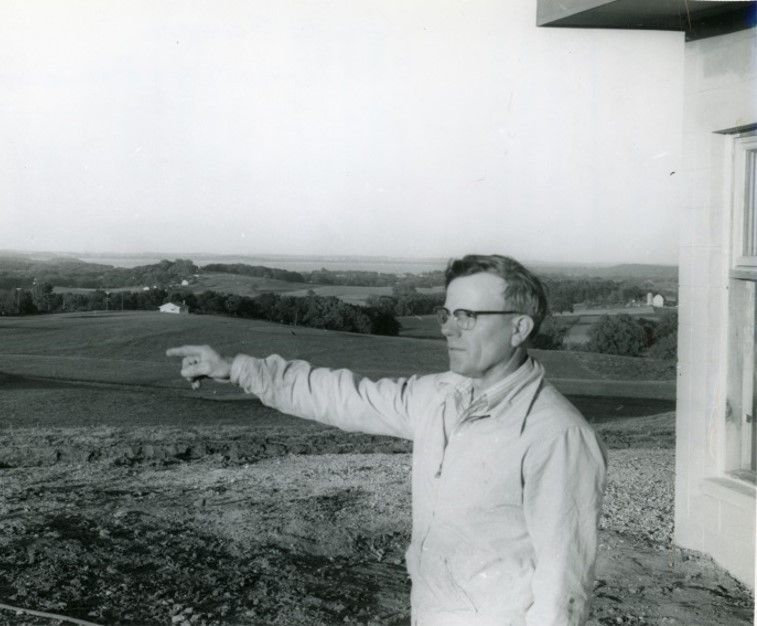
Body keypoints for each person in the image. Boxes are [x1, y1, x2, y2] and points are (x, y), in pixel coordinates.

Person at [167, 254, 607, 626]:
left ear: (519, 328)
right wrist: (237, 369)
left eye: (467, 317)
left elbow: (562, 590)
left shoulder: (557, 434)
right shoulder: (439, 396)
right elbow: (345, 397)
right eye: (447, 314)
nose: (448, 330)